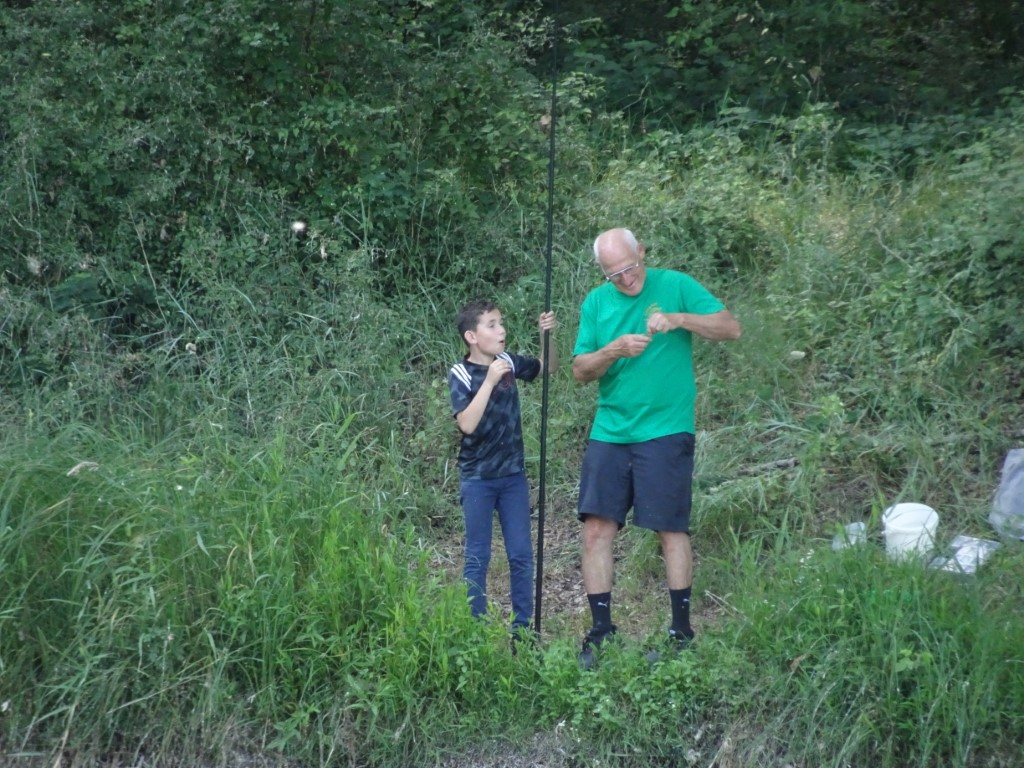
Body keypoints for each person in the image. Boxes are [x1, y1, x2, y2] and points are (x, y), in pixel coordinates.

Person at [571, 228, 741, 668]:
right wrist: (613, 349)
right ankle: (601, 633)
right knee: (595, 529)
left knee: (670, 528)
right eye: (614, 274)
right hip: (611, 430)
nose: (626, 279)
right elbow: (580, 371)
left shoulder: (676, 285)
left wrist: (680, 319)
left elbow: (730, 327)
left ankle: (681, 633)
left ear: (642, 252)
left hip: (666, 429)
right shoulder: (596, 303)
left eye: (630, 267)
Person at [449, 299, 558, 637]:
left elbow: (548, 368)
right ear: (471, 336)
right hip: (477, 480)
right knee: (477, 556)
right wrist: (489, 382)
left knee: (521, 555)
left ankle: (522, 632)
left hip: (512, 477)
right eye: (492, 325)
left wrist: (547, 336)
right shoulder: (461, 373)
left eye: (501, 323)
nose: (502, 330)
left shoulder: (508, 361)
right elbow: (466, 424)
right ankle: (476, 634)